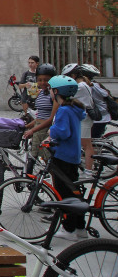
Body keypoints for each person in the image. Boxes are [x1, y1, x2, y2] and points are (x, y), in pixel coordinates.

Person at [45, 75, 88, 241]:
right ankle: (80, 228)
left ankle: (69, 229)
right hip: (74, 156)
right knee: (74, 192)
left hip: (62, 156)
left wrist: (51, 132)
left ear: (56, 92)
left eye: (50, 89)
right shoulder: (74, 109)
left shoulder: (63, 110)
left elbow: (63, 132)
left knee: (63, 194)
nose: (49, 92)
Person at [23, 63, 59, 173]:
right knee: (32, 156)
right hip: (38, 128)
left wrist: (33, 130)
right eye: (40, 80)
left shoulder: (54, 95)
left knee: (47, 158)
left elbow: (51, 119)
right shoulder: (41, 93)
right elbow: (39, 116)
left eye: (46, 80)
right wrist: (27, 126)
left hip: (46, 130)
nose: (43, 82)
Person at [62, 63, 96, 177]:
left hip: (85, 118)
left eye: (68, 76)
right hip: (83, 118)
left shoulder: (80, 86)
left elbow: (66, 95)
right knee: (84, 144)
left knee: (86, 146)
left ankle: (88, 171)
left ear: (74, 75)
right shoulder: (82, 84)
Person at [83, 64, 112, 145]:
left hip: (99, 118)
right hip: (101, 117)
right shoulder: (95, 85)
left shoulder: (92, 86)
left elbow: (105, 94)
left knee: (91, 142)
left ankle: (95, 156)